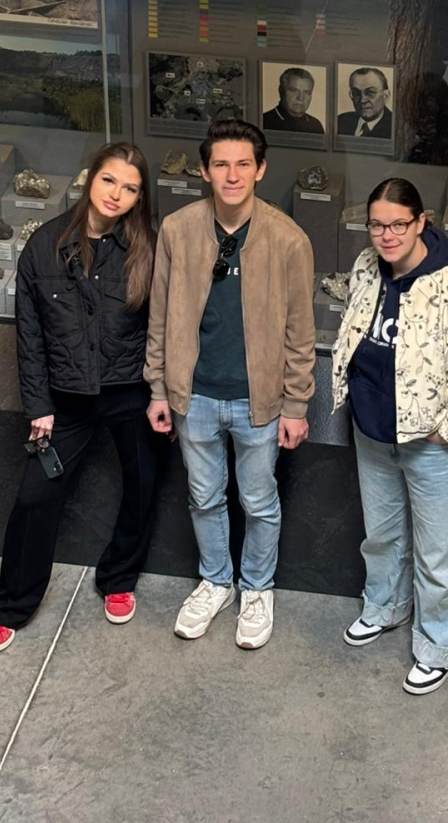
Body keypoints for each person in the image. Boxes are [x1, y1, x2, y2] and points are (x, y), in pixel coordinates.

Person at [0, 141, 162, 653]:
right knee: (35, 497)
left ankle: (119, 578)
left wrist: (161, 392)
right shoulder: (44, 245)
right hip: (66, 399)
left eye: (130, 188)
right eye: (109, 180)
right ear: (90, 178)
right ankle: (11, 606)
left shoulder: (149, 248)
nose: (117, 194)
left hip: (132, 391)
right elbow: (30, 336)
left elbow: (164, 327)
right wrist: (38, 406)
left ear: (140, 197)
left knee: (145, 484)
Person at [145, 118, 315, 651]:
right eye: (221, 164)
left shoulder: (288, 239)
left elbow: (300, 331)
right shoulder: (177, 230)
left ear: (261, 170)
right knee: (203, 497)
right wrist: (158, 388)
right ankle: (216, 581)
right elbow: (159, 315)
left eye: (244, 164)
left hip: (259, 400)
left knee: (259, 501)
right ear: (204, 171)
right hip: (193, 395)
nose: (232, 175)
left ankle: (257, 589)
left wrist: (297, 404)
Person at [332, 177, 448, 696]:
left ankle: (439, 646)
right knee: (382, 537)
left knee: (441, 556)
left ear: (421, 222)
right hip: (373, 435)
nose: (386, 236)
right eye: (376, 225)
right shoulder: (367, 266)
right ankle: (386, 607)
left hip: (433, 447)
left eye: (398, 225)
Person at [262, 66, 325, 134]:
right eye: (294, 90)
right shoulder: (264, 122)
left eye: (307, 92)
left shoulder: (315, 126)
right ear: (281, 91)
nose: (300, 98)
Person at [337, 66, 393, 138]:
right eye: (356, 93)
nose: (362, 100)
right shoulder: (340, 121)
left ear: (385, 96)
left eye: (370, 92)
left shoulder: (396, 127)